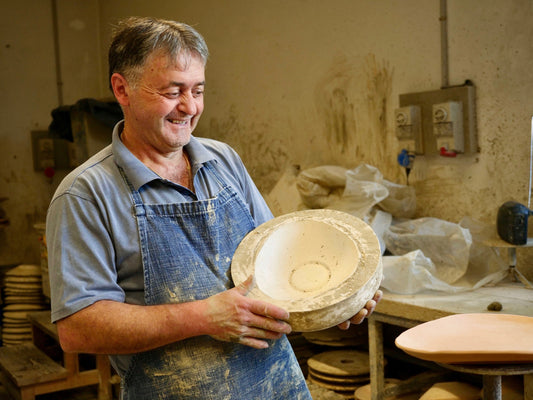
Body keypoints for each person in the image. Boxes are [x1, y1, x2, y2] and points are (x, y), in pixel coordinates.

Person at [46, 16, 382, 399]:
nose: (189, 107)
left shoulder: (223, 161)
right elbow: (78, 328)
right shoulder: (86, 194)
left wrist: (336, 300)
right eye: (173, 91)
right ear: (122, 89)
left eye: (198, 90)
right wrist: (202, 317)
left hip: (275, 388)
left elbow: (280, 268)